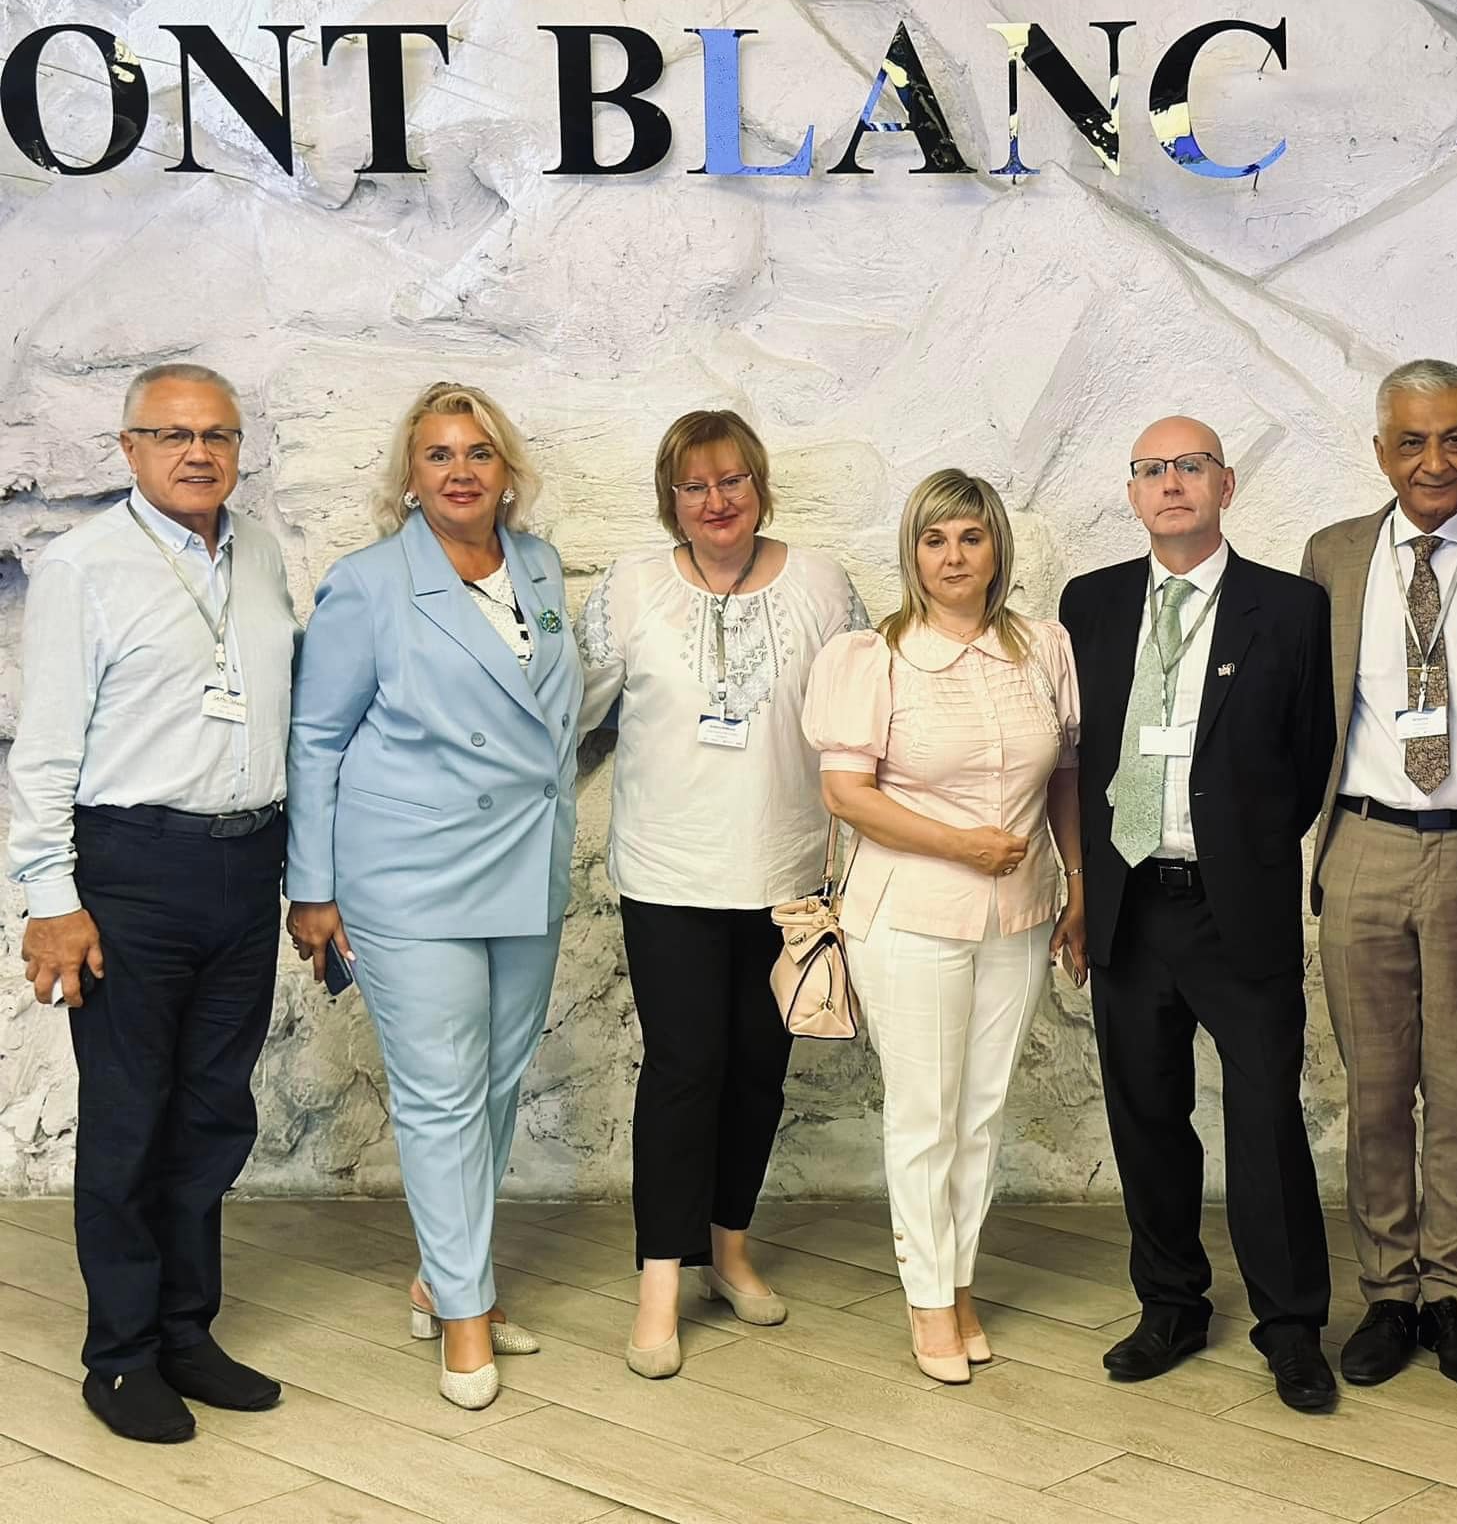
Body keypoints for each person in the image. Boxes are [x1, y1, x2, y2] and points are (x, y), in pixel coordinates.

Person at [8, 364, 296, 1443]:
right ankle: (121, 1357)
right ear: (127, 449)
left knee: (213, 1113)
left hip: (246, 864)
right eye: (172, 435)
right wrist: (51, 897)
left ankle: (185, 1332)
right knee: (132, 1119)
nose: (198, 453)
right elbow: (44, 750)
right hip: (131, 872)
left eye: (218, 434)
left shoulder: (261, 553)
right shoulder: (82, 567)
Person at [284, 382, 583, 1411]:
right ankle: (463, 1310)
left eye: (478, 453)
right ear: (408, 479)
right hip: (409, 872)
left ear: (507, 471)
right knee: (441, 1092)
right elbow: (316, 739)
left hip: (525, 860)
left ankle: (442, 1273)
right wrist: (312, 889)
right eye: (438, 455)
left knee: (494, 1084)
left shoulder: (539, 566)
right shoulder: (368, 584)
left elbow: (547, 710)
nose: (461, 471)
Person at [577, 409, 867, 1376]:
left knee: (757, 1071)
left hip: (787, 871)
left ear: (760, 485)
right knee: (682, 1069)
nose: (716, 501)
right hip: (667, 871)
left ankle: (728, 1249)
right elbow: (572, 713)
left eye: (732, 480)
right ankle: (662, 1275)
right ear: (671, 499)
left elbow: (864, 713)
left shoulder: (822, 584)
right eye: (695, 486)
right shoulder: (631, 587)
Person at [1059, 416, 1338, 1412]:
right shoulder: (1089, 604)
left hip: (1234, 905)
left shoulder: (1290, 608)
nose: (1170, 482)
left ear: (1224, 486)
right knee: (1145, 1115)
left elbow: (1308, 756)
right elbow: (1076, 754)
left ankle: (1290, 1325)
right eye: (1151, 469)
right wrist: (1083, 885)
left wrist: (1239, 849)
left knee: (1264, 1118)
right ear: (1131, 493)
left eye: (1190, 466)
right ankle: (1171, 1304)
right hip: (1129, 900)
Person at [1299, 359, 1457, 1391]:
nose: (1433, 460)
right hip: (1362, 842)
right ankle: (1386, 1295)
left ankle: (1449, 1294)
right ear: (1380, 451)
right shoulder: (1332, 554)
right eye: (1411, 441)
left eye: (1453, 439)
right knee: (1372, 1091)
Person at [803, 470, 1083, 1385]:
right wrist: (963, 844)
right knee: (925, 1112)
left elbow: (1065, 776)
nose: (953, 556)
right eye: (934, 540)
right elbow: (847, 795)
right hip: (910, 912)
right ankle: (928, 1300)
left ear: (997, 547)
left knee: (982, 1111)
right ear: (911, 554)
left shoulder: (1044, 648)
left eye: (970, 536)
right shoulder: (872, 657)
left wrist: (1076, 882)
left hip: (1020, 911)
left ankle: (959, 1283)